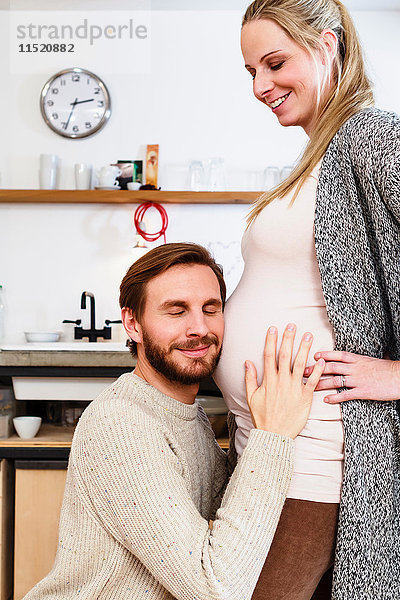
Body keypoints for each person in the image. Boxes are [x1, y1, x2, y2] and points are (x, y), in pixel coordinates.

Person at [213, 1, 400, 599]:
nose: (261, 86)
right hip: (270, 452)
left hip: (320, 458)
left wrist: (397, 375)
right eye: (250, 72)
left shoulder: (371, 139)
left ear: (325, 46)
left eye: (274, 62)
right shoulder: (316, 154)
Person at [24, 242, 324, 600]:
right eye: (176, 311)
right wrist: (272, 435)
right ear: (132, 323)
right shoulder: (121, 425)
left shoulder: (190, 417)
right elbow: (215, 590)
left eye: (211, 309)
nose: (199, 328)